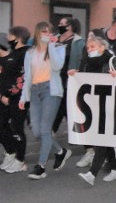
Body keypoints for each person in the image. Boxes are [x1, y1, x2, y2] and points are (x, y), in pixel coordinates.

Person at [19, 21, 72, 179]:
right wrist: (24, 96)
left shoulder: (58, 48)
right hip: (35, 91)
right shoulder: (30, 53)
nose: (46, 35)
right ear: (37, 33)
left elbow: (57, 66)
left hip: (51, 90)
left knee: (44, 128)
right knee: (36, 131)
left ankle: (41, 166)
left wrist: (50, 46)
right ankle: (60, 152)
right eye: (43, 32)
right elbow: (27, 77)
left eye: (49, 32)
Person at [73, 36, 116, 185]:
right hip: (94, 105)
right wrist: (75, 75)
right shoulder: (86, 63)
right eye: (88, 47)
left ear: (102, 47)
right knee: (105, 138)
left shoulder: (113, 61)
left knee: (101, 138)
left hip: (110, 106)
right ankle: (115, 170)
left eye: (93, 46)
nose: (90, 50)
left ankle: (92, 173)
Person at [0, 28, 29, 173]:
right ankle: (11, 153)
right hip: (7, 99)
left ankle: (20, 160)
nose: (8, 38)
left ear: (18, 38)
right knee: (3, 125)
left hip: (19, 99)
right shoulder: (14, 54)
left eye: (10, 36)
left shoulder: (25, 53)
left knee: (18, 128)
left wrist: (11, 96)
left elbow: (23, 78)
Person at [52, 17, 84, 133]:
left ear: (69, 26)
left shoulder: (77, 42)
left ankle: (84, 140)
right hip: (55, 79)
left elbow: (81, 60)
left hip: (68, 80)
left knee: (65, 108)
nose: (59, 25)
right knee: (60, 108)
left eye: (62, 24)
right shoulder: (55, 39)